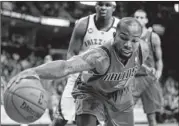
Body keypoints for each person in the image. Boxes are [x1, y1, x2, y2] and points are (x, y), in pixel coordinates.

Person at [8, 17, 148, 126]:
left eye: (134, 40)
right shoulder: (99, 57)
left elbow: (131, 67)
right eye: (123, 38)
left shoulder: (143, 50)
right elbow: (66, 67)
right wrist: (34, 71)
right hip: (91, 92)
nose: (128, 44)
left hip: (119, 93)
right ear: (114, 35)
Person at [52, 1, 120, 126]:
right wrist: (77, 72)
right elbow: (71, 52)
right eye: (100, 4)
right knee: (60, 120)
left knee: (98, 122)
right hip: (79, 78)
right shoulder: (83, 24)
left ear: (114, 8)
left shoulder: (120, 27)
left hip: (104, 82)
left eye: (107, 5)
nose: (103, 8)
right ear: (95, 6)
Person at [132, 9, 163, 126]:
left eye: (141, 17)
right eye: (136, 17)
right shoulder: (128, 37)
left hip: (149, 79)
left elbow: (159, 59)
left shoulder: (153, 37)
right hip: (133, 78)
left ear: (146, 20)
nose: (138, 19)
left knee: (151, 118)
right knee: (124, 112)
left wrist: (159, 72)